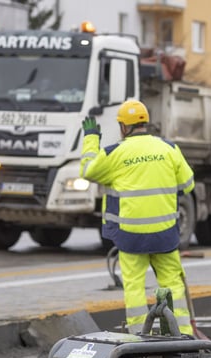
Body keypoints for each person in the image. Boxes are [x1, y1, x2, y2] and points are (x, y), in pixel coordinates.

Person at [79, 99, 195, 336]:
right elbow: (188, 184)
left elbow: (88, 170)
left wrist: (91, 138)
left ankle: (139, 334)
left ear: (123, 127)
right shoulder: (168, 148)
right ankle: (182, 333)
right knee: (172, 283)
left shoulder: (115, 153)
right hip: (165, 234)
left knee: (134, 286)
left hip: (131, 236)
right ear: (145, 123)